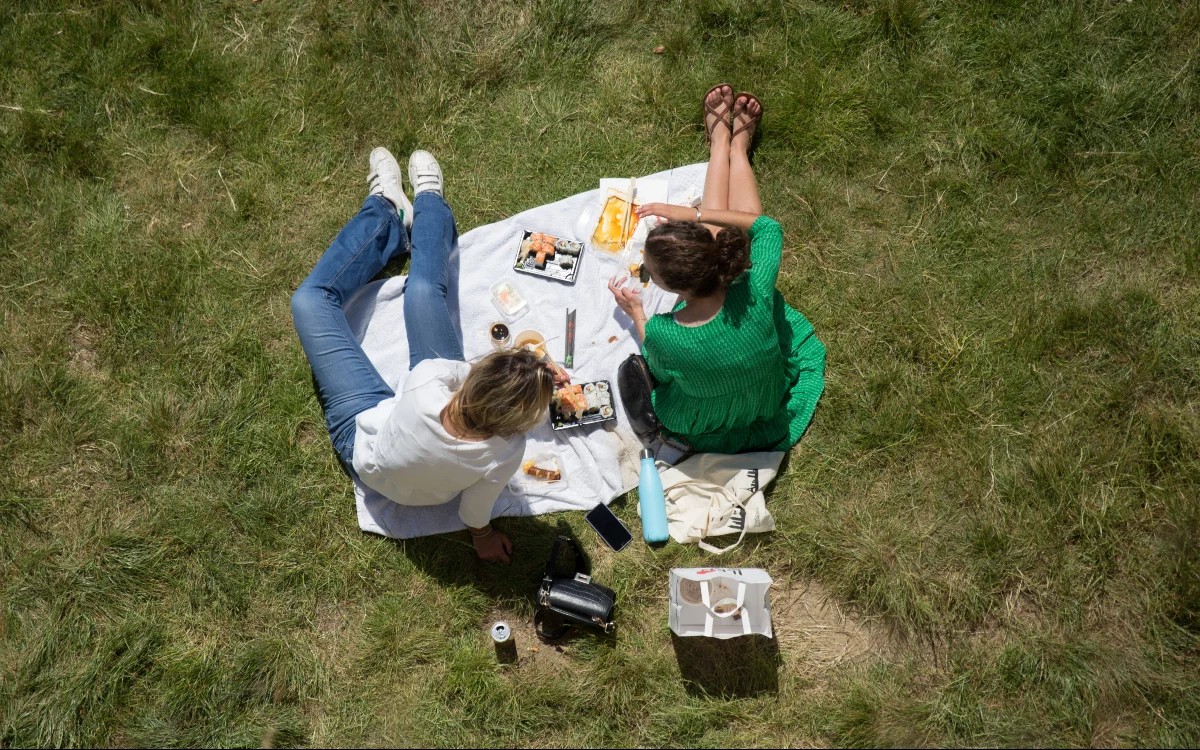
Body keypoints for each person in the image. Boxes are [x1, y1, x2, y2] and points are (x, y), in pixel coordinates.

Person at [291, 147, 557, 563]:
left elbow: (460, 374)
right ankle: (420, 205)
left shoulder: (430, 381)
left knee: (401, 294)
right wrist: (483, 536)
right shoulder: (507, 451)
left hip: (364, 439)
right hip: (378, 466)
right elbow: (474, 511)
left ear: (475, 375)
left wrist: (524, 373)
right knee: (394, 296)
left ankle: (398, 211)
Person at [608, 85, 826, 454]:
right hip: (764, 392)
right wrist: (695, 215)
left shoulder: (664, 333)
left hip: (712, 416)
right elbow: (766, 226)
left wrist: (638, 313)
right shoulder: (753, 288)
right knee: (742, 231)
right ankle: (734, 149)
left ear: (674, 289)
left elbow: (661, 373)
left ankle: (721, 145)